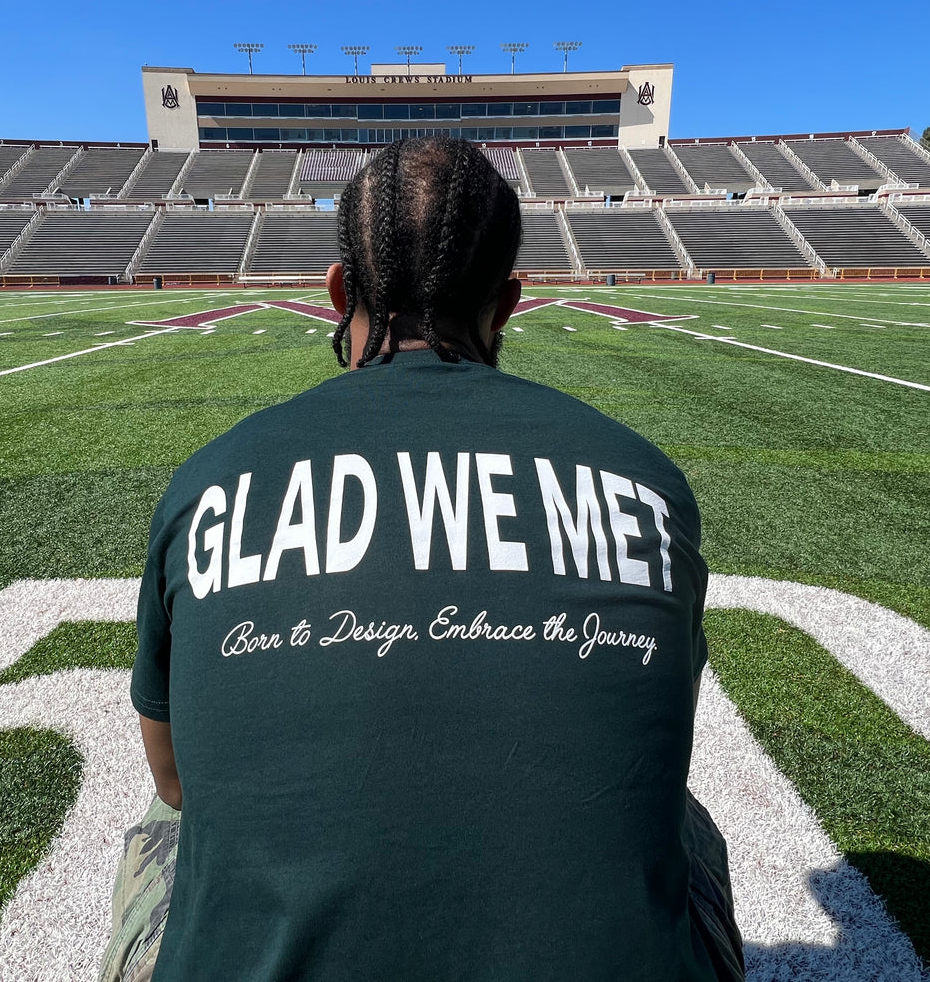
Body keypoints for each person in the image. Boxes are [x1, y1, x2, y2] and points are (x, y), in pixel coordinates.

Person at [107, 137, 744, 981]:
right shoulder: (646, 478)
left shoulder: (210, 481)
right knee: (679, 813)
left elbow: (179, 778)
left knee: (163, 821)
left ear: (338, 289)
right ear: (509, 301)